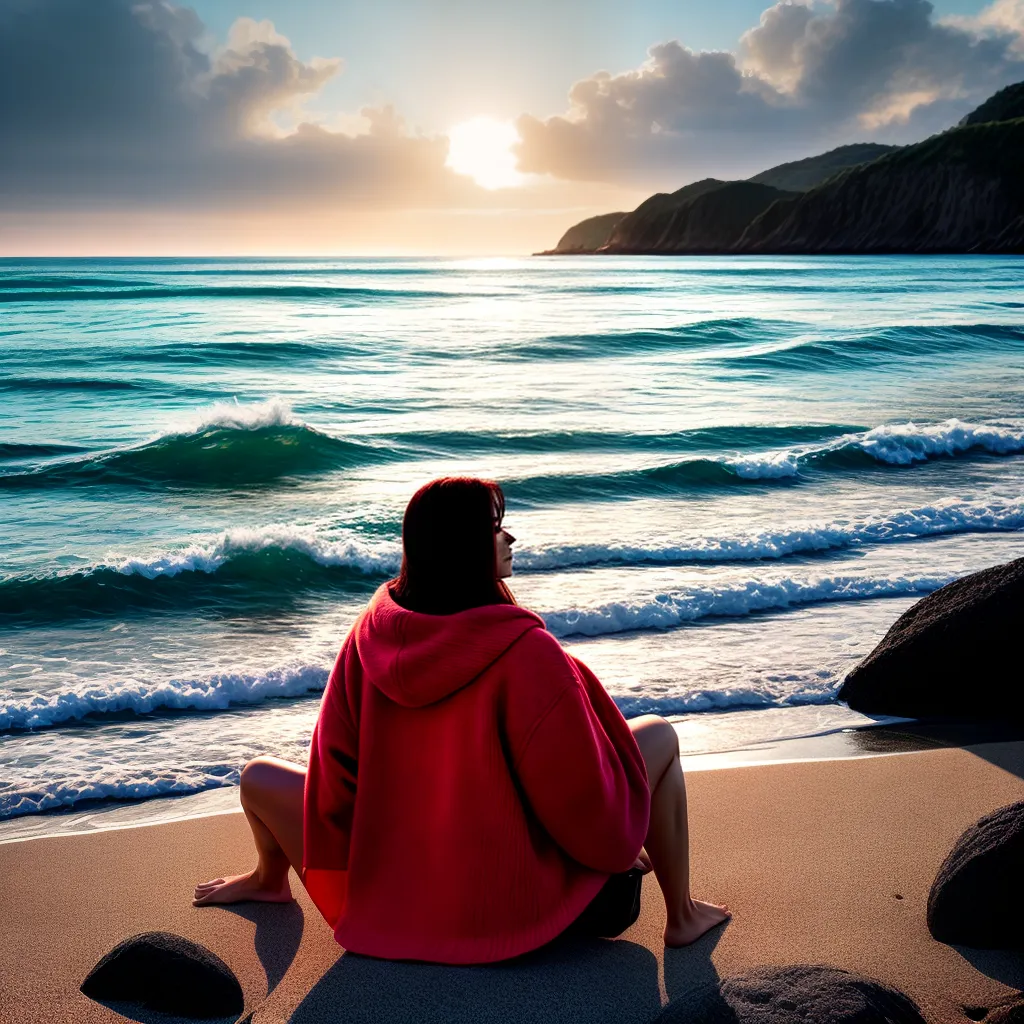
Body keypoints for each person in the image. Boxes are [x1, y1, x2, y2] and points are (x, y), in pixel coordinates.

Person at [194, 477, 729, 963]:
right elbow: (579, 800)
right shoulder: (526, 652)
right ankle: (681, 917)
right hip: (524, 914)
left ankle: (269, 879)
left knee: (257, 777)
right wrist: (620, 841)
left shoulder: (369, 637)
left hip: (396, 905)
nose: (510, 539)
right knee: (658, 733)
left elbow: (335, 784)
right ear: (462, 545)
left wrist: (359, 881)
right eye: (495, 528)